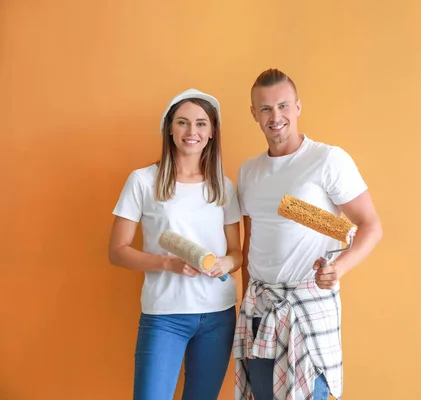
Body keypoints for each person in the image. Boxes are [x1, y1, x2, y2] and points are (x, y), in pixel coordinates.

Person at [233, 69, 383, 400]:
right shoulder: (249, 172)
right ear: (254, 114)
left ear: (298, 107)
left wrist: (338, 269)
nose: (276, 117)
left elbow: (371, 226)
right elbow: (250, 248)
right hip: (261, 311)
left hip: (309, 310)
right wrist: (245, 305)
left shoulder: (328, 159)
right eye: (266, 109)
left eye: (284, 106)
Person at [108, 89, 242, 400]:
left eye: (201, 124)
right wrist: (167, 263)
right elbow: (117, 251)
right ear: (169, 128)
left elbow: (237, 254)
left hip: (218, 316)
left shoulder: (224, 186)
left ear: (212, 132)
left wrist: (225, 263)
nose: (191, 132)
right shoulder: (143, 181)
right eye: (182, 122)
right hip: (165, 315)